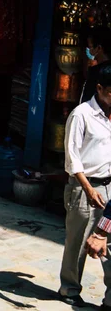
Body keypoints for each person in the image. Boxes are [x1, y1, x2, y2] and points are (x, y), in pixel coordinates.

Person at [58, 65, 111, 308]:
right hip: (84, 188)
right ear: (99, 88)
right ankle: (69, 288)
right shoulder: (81, 114)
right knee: (78, 242)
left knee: (108, 242)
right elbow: (72, 158)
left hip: (109, 186)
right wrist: (88, 189)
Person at [81, 27, 111, 103]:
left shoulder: (95, 73)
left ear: (98, 48)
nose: (89, 50)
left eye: (90, 47)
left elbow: (87, 100)